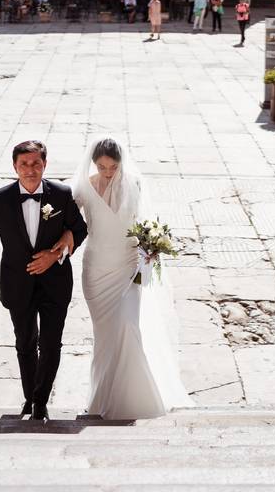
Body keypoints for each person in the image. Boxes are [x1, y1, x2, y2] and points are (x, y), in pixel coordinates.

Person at [72, 137, 192, 420]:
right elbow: (69, 222)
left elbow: (146, 222)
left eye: (113, 167)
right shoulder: (83, 187)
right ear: (94, 164)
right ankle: (101, 398)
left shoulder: (134, 183)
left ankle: (132, 400)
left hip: (128, 269)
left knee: (128, 326)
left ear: (121, 163)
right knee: (105, 337)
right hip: (96, 271)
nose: (108, 173)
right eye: (102, 167)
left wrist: (151, 245)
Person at [0, 140, 89, 422]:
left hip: (55, 283)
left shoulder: (61, 194)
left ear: (45, 165)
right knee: (25, 343)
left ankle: (39, 401)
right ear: (15, 167)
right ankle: (30, 395)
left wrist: (56, 254)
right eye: (24, 164)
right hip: (17, 284)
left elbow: (80, 229)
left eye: (36, 163)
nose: (30, 169)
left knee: (51, 344)